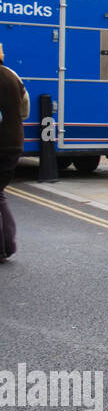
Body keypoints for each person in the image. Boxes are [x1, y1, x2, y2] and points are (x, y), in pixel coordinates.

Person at [0, 42, 29, 261]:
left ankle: (5, 247)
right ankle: (6, 245)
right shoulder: (12, 75)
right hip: (13, 143)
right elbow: (25, 108)